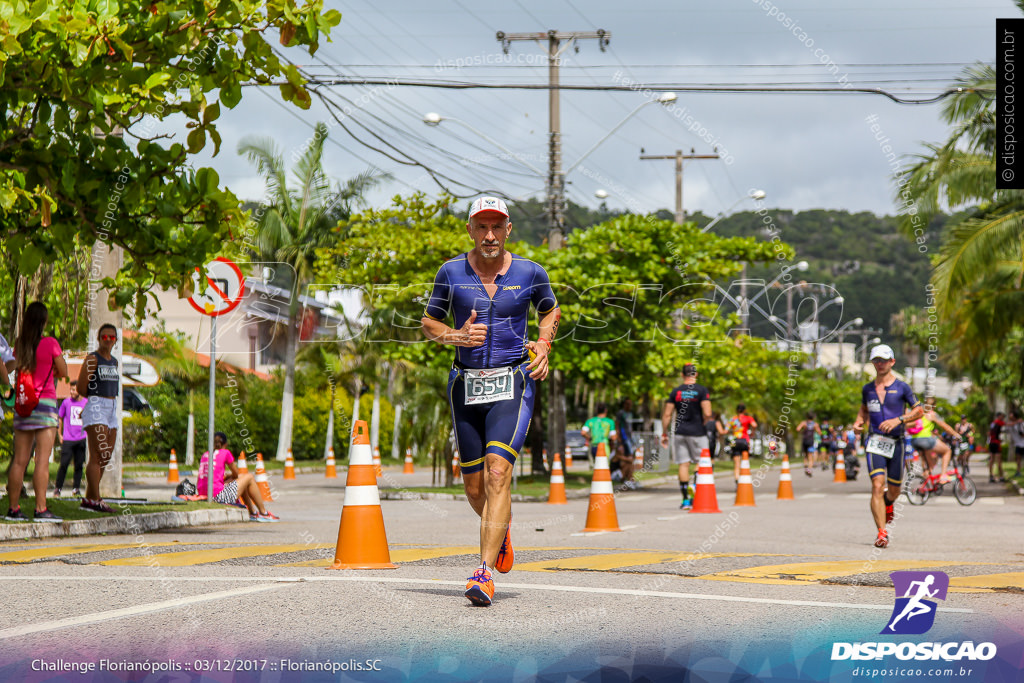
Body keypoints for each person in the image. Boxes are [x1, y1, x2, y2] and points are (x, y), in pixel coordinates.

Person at [421, 196, 558, 607]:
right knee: (474, 484)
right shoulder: (450, 272)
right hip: (465, 385)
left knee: (499, 473)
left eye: (497, 226)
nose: (489, 235)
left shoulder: (531, 272)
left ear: (508, 229)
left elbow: (550, 311)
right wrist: (455, 336)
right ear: (470, 230)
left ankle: (482, 572)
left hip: (513, 382)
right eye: (481, 226)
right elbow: (429, 322)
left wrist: (544, 346)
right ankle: (501, 529)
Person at [852, 344, 923, 549]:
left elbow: (919, 411)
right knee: (876, 485)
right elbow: (863, 412)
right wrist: (858, 424)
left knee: (893, 490)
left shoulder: (902, 387)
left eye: (883, 360)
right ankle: (882, 533)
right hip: (874, 441)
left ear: (892, 362)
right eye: (876, 360)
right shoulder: (867, 389)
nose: (880, 364)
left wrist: (898, 419)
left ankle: (888, 503)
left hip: (896, 442)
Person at [6, 301, 67, 522]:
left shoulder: (20, 344)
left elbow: (11, 366)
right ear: (44, 321)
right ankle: (41, 509)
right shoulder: (50, 343)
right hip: (45, 406)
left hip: (23, 405)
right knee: (42, 460)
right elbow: (63, 370)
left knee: (19, 461)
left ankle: (13, 509)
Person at [77, 323, 120, 513]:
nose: (108, 340)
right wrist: (95, 401)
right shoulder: (93, 359)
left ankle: (89, 498)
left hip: (112, 407)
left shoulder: (114, 361)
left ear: (116, 340)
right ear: (98, 338)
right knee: (97, 454)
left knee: (105, 456)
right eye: (105, 337)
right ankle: (96, 498)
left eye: (112, 337)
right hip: (97, 406)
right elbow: (80, 387)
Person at [661, 363, 712, 510]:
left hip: (680, 432)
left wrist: (664, 433)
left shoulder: (676, 392)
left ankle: (685, 500)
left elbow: (667, 414)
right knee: (700, 462)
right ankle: (695, 488)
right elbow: (708, 412)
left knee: (683, 464)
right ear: (695, 374)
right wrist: (704, 422)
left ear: (683, 375)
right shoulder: (701, 390)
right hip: (698, 432)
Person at [197, 432, 278, 521]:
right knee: (249, 477)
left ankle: (252, 512)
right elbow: (236, 474)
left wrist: (227, 477)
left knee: (243, 480)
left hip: (204, 494)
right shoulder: (225, 452)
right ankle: (264, 512)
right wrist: (231, 476)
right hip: (218, 497)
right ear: (226, 444)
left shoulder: (205, 454)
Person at [906, 398, 960, 485]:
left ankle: (925, 485)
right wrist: (956, 434)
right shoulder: (932, 414)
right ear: (934, 406)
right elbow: (944, 426)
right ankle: (943, 476)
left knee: (930, 464)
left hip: (915, 440)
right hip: (925, 439)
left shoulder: (919, 413)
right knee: (947, 451)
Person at [55, 380, 88, 497]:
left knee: (79, 465)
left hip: (82, 438)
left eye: (74, 389)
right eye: (71, 389)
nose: (71, 392)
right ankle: (58, 489)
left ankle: (76, 488)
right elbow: (60, 417)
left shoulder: (86, 402)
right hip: (68, 438)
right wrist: (60, 434)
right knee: (63, 464)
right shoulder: (66, 402)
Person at [726, 404, 758, 482]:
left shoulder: (733, 419)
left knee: (736, 463)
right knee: (745, 461)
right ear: (744, 410)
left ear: (736, 410)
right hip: (744, 441)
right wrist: (752, 433)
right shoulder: (748, 418)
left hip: (735, 441)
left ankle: (737, 479)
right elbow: (754, 425)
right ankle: (744, 480)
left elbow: (726, 430)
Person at [796, 412, 821, 477]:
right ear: (813, 417)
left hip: (805, 441)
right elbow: (819, 432)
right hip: (810, 441)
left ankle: (806, 468)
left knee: (805, 455)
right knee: (810, 456)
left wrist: (803, 431)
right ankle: (809, 469)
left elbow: (798, 429)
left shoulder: (804, 423)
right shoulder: (815, 424)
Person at [987, 412, 1006, 483]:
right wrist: (1017, 422)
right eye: (1002, 417)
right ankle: (1001, 477)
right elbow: (1008, 424)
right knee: (999, 461)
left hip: (991, 443)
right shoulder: (999, 422)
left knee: (991, 460)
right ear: (999, 416)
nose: (1003, 418)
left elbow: (989, 433)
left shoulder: (993, 423)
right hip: (996, 443)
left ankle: (991, 476)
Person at [1008, 411, 1024, 477]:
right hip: (1018, 444)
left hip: (1023, 444)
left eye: (1011, 416)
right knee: (1018, 459)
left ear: (1015, 417)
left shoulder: (1021, 424)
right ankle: (1018, 471)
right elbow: (1006, 425)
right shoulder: (1011, 424)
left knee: (1019, 459)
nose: (1010, 417)